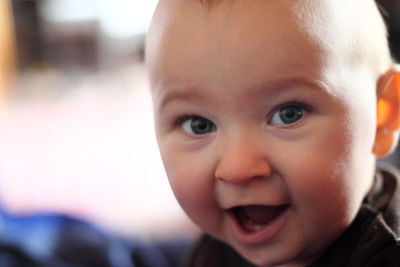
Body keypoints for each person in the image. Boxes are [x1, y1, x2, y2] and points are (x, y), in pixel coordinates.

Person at [145, 0, 400, 266]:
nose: (237, 169)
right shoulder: (212, 252)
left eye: (288, 114)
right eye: (198, 124)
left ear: (383, 116)